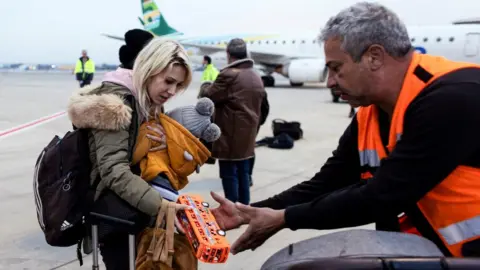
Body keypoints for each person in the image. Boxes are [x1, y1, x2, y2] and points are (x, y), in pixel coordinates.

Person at [210, 2, 480, 258]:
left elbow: (382, 195)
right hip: (436, 251)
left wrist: (284, 219)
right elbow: (328, 182)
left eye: (336, 68)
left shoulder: (454, 99)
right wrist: (248, 212)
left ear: (374, 57)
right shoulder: (371, 113)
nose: (330, 82)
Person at [67, 29, 193, 269]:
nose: (172, 91)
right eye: (168, 81)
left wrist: (166, 145)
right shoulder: (115, 104)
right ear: (147, 69)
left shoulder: (146, 101)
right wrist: (161, 205)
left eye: (177, 85)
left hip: (139, 208)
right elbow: (113, 170)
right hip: (116, 218)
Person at [199, 38, 267, 205]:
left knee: (229, 173)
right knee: (244, 172)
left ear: (228, 54)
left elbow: (209, 96)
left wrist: (206, 85)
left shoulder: (229, 75)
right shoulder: (255, 75)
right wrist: (255, 125)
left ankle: (231, 207)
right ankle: (244, 207)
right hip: (249, 133)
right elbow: (265, 107)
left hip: (230, 134)